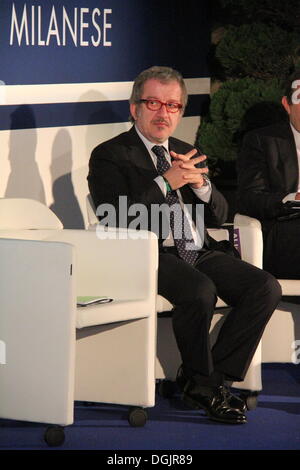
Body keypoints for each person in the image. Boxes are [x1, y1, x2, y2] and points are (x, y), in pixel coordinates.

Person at [88, 66, 281, 425]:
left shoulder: (186, 151)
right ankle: (205, 384)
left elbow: (222, 213)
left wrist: (201, 186)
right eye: (154, 103)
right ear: (134, 109)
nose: (164, 113)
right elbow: (115, 217)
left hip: (198, 248)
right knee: (199, 290)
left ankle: (209, 380)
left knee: (265, 286)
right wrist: (165, 183)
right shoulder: (110, 155)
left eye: (173, 106)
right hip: (148, 253)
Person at [237, 69, 300, 279]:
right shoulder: (261, 141)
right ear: (286, 104)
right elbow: (251, 199)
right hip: (285, 228)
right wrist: (291, 199)